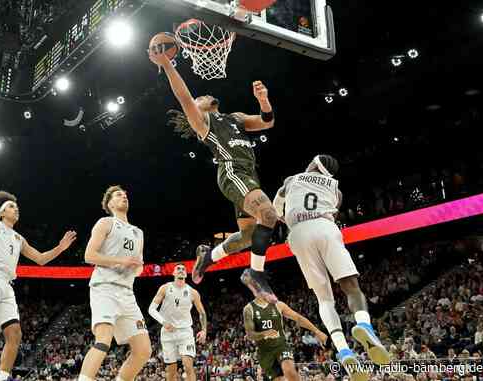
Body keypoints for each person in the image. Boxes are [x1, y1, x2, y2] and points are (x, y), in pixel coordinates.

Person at [148, 44, 279, 302]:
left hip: (249, 175)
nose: (202, 95)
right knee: (268, 213)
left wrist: (263, 99)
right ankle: (255, 273)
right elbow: (184, 97)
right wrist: (166, 65)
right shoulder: (203, 123)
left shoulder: (235, 117)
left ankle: (209, 257)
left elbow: (267, 122)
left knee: (250, 235)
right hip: (232, 173)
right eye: (199, 98)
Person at [272, 154, 390, 380]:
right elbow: (333, 205)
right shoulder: (337, 189)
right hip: (324, 227)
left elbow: (276, 206)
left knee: (324, 298)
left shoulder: (291, 179)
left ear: (315, 164)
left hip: (297, 234)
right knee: (351, 286)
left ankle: (343, 349)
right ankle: (364, 325)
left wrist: (283, 217)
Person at [0, 191, 77, 381]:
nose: (15, 209)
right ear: (1, 213)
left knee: (15, 334)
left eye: (16, 207)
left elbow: (40, 259)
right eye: (11, 206)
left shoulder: (19, 238)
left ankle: (0, 378)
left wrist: (60, 247)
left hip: (7, 284)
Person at [78, 185, 151, 381]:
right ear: (110, 203)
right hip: (105, 288)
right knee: (103, 341)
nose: (124, 197)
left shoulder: (138, 233)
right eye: (119, 195)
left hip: (127, 292)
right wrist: (121, 261)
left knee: (144, 350)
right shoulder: (105, 223)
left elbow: (138, 266)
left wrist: (137, 267)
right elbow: (89, 255)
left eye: (125, 195)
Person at [243, 295, 327, 381]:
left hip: (281, 346)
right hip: (265, 352)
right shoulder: (249, 309)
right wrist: (264, 334)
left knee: (289, 371)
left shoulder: (278, 305)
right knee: (279, 379)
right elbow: (250, 335)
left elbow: (298, 318)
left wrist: (317, 331)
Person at [148, 263, 208, 381]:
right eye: (178, 269)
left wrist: (204, 330)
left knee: (188, 365)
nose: (181, 270)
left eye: (183, 269)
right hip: (167, 332)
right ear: (173, 273)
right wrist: (163, 322)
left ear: (186, 274)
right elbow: (151, 309)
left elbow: (202, 313)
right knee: (171, 370)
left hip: (185, 332)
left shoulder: (193, 292)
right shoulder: (165, 288)